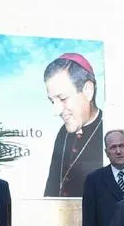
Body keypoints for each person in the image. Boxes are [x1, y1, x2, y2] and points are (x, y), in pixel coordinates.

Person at [43, 54, 104, 198]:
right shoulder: (62, 133)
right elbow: (52, 185)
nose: (56, 111)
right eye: (52, 101)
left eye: (63, 98)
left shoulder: (109, 131)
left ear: (88, 90)